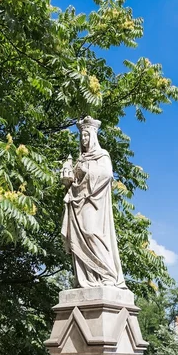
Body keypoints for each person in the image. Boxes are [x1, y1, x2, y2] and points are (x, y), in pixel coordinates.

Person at [60, 116, 126, 288]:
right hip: (77, 204)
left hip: (94, 203)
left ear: (94, 137)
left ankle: (107, 275)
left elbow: (106, 175)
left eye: (87, 136)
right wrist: (68, 179)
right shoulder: (80, 159)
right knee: (78, 239)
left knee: (92, 233)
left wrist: (86, 170)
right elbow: (74, 182)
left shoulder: (102, 155)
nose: (84, 139)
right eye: (82, 136)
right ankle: (86, 279)